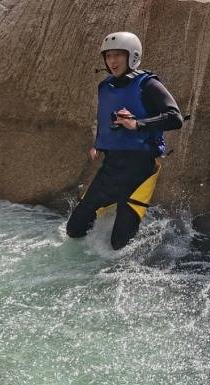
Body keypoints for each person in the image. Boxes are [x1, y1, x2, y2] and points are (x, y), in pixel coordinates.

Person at [66, 31, 183, 249]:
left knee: (119, 245)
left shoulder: (148, 84)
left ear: (133, 56)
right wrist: (98, 145)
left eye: (118, 55)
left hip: (139, 170)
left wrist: (137, 123)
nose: (112, 61)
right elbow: (105, 119)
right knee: (74, 230)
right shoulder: (105, 87)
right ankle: (110, 207)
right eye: (108, 56)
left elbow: (175, 118)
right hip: (111, 168)